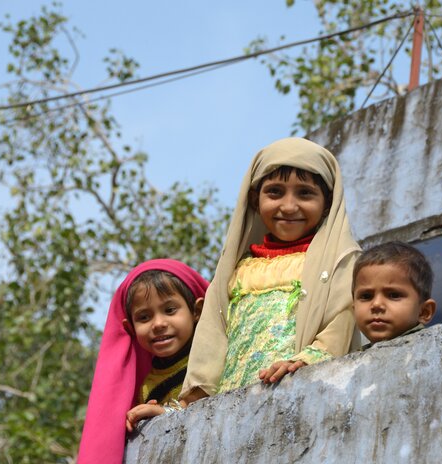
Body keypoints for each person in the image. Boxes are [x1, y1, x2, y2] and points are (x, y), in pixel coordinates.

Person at [179, 137, 361, 405]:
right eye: (275, 192)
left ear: (327, 204)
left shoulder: (342, 261)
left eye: (305, 193)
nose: (288, 206)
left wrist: (302, 362)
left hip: (304, 399)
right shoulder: (235, 271)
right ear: (255, 199)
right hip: (227, 414)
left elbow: (338, 331)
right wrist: (186, 404)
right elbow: (211, 341)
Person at [78, 259, 208, 464]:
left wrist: (167, 412)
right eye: (144, 317)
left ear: (197, 311)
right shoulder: (146, 387)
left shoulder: (210, 361)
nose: (158, 324)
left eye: (170, 310)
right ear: (130, 328)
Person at [352, 241, 436, 348]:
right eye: (366, 296)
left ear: (424, 312)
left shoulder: (432, 347)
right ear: (354, 310)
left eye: (394, 295)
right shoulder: (354, 360)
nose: (376, 304)